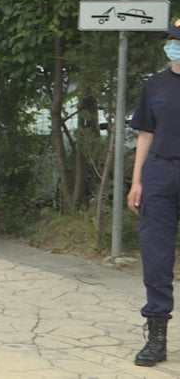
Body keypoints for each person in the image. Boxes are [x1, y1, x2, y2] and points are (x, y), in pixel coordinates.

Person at [127, 18, 180, 367]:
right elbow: (146, 133)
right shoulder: (155, 85)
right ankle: (157, 337)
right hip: (160, 173)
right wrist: (137, 181)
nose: (175, 46)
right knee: (156, 256)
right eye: (173, 40)